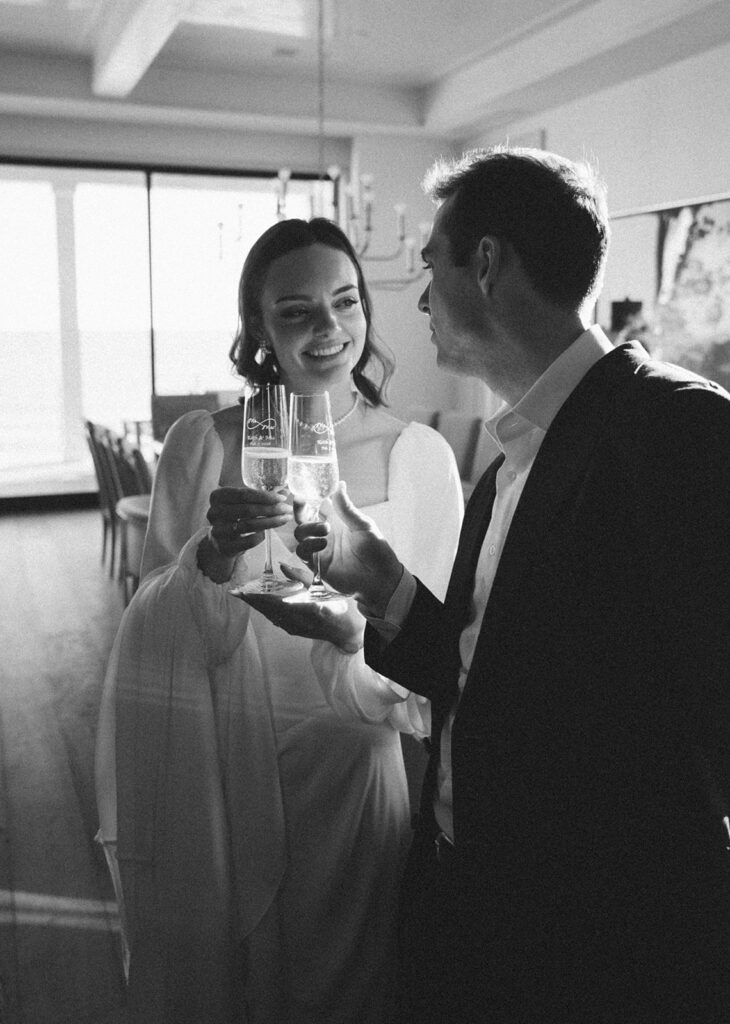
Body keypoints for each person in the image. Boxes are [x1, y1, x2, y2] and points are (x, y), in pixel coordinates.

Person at [281, 149, 730, 1023]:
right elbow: (487, 675)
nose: (415, 302)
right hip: (472, 902)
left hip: (601, 948)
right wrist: (376, 580)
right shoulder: (504, 463)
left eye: (430, 266)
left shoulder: (680, 429)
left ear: (484, 265)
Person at [94, 217, 463, 1024]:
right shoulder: (205, 441)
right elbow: (146, 629)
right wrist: (210, 563)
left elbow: (436, 656)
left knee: (354, 978)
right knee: (245, 979)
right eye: (296, 311)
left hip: (359, 751)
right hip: (224, 752)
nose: (330, 329)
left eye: (346, 301)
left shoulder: (419, 458)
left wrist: (350, 627)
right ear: (258, 325)